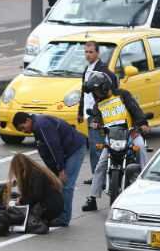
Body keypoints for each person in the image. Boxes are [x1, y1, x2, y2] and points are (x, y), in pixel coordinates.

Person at [82, 71, 149, 212]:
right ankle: (92, 198)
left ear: (105, 87)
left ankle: (146, 185)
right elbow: (96, 119)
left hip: (131, 134)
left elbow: (135, 109)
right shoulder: (97, 106)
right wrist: (95, 123)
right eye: (94, 91)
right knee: (100, 165)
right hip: (111, 139)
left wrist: (142, 123)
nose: (96, 94)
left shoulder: (123, 95)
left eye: (97, 90)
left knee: (141, 148)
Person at [12, 112, 85, 227]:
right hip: (64, 152)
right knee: (56, 183)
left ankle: (64, 218)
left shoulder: (42, 125)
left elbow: (54, 147)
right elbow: (45, 152)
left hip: (74, 149)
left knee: (66, 184)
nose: (24, 131)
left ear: (27, 120)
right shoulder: (36, 127)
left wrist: (60, 170)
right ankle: (58, 214)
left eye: (23, 127)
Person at [77, 41, 117, 186]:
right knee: (94, 147)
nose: (88, 55)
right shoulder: (87, 70)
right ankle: (96, 175)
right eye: (86, 52)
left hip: (99, 115)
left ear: (97, 53)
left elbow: (114, 88)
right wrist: (80, 112)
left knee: (98, 146)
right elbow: (84, 93)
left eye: (91, 52)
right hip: (89, 114)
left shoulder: (104, 71)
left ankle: (102, 178)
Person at [5, 153, 63, 233]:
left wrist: (21, 201)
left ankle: (42, 221)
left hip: (51, 206)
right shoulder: (35, 170)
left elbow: (36, 196)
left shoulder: (36, 174)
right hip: (54, 203)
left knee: (26, 212)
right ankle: (45, 219)